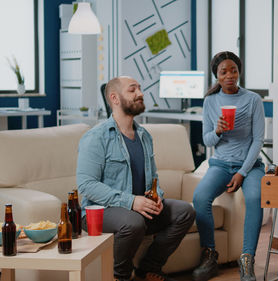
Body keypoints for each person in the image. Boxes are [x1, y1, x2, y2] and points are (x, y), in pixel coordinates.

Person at [77, 76, 195, 281]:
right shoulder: (96, 137)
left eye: (140, 88)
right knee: (133, 222)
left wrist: (156, 196)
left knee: (184, 212)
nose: (140, 93)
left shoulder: (144, 136)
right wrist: (131, 201)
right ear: (114, 98)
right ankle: (119, 276)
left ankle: (149, 268)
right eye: (132, 90)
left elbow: (153, 178)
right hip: (100, 212)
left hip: (139, 210)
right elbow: (87, 185)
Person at [191, 51, 265, 281]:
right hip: (221, 163)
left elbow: (258, 140)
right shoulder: (210, 101)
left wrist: (242, 172)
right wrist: (218, 131)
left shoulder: (253, 100)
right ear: (217, 76)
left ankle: (247, 260)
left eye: (233, 70)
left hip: (250, 165)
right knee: (200, 198)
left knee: (255, 198)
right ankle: (210, 254)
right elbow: (208, 141)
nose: (230, 75)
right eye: (224, 72)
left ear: (239, 71)